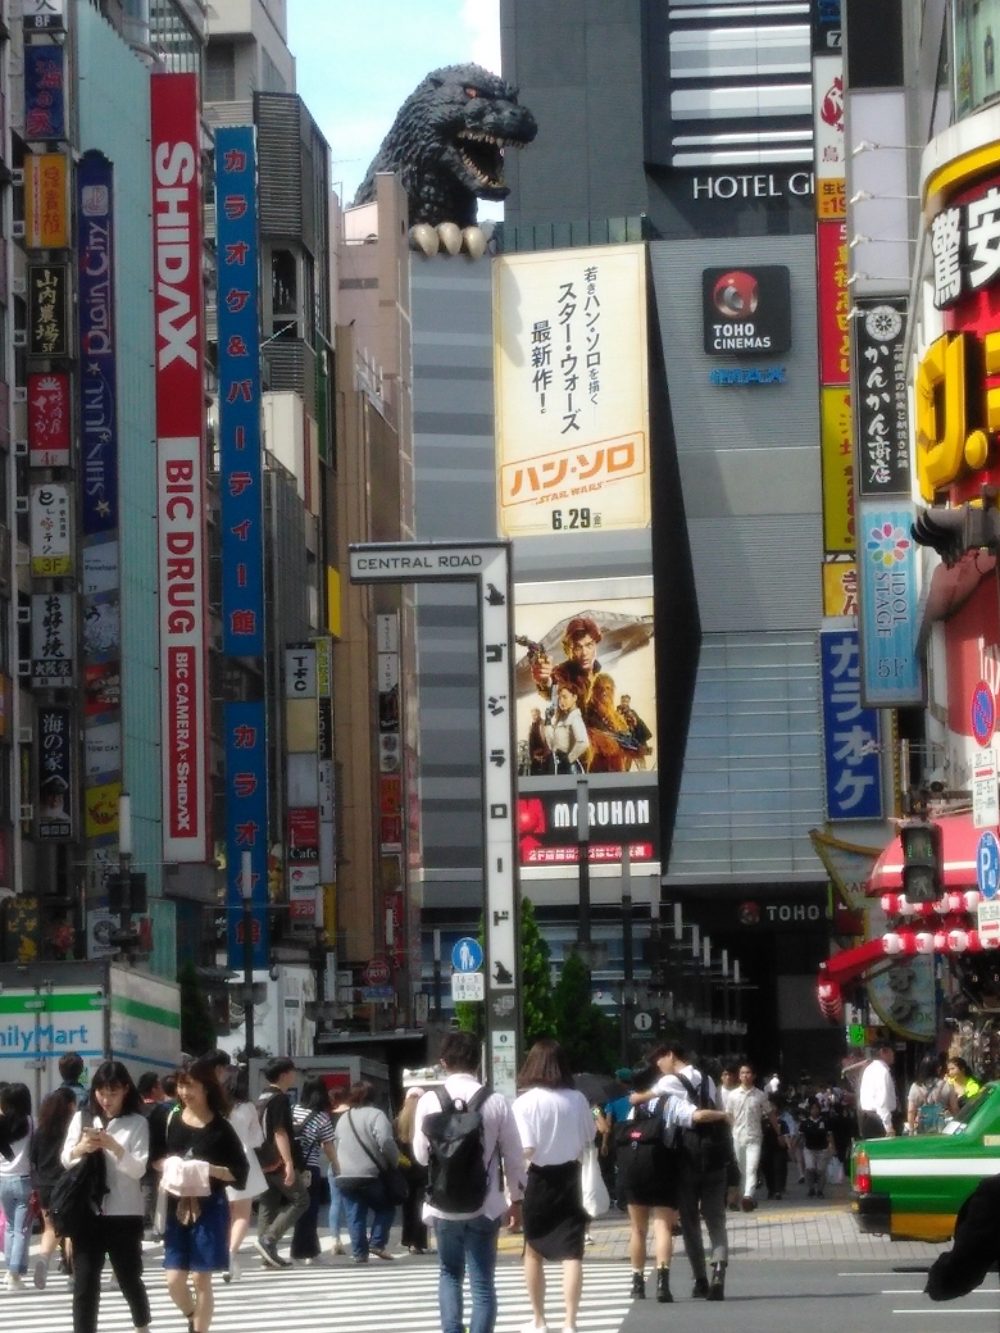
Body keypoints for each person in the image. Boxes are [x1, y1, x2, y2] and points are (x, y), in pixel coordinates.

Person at [412, 1031, 524, 1333]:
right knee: (483, 1284)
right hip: (485, 1205)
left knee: (449, 1274)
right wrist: (517, 1200)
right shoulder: (495, 1101)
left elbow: (421, 1157)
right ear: (478, 1061)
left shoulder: (429, 1101)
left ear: (444, 1061)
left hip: (443, 1204)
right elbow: (514, 1156)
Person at [619, 1060, 730, 1304]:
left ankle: (637, 1284)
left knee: (637, 1229)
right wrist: (723, 1115)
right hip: (663, 1169)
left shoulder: (632, 1109)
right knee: (664, 1228)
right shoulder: (668, 1102)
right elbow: (696, 1115)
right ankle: (662, 1284)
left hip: (634, 1171)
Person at [61, 1060, 151, 1333]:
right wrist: (81, 1148)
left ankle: (142, 1324)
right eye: (101, 1092)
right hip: (88, 1212)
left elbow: (139, 1168)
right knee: (85, 1282)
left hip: (125, 1213)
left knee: (128, 1277)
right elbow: (65, 1159)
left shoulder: (137, 1123)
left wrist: (113, 1147)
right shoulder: (82, 1118)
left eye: (113, 1093)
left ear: (125, 1090)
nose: (106, 1099)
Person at [159, 1057, 248, 1333]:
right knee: (173, 1280)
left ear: (207, 1087)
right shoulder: (171, 1117)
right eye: (181, 1086)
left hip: (210, 1209)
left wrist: (210, 1170)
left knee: (201, 1280)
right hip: (177, 1207)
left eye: (191, 1086)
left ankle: (200, 1328)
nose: (184, 1092)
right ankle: (193, 1316)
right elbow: (156, 1158)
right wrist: (167, 1166)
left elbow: (240, 1173)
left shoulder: (221, 1128)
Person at [512, 1037, 594, 1333]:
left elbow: (526, 1150)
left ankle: (539, 1320)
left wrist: (511, 1185)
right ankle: (570, 1323)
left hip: (539, 1180)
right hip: (572, 1179)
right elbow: (589, 1138)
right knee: (572, 1253)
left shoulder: (525, 1103)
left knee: (533, 1250)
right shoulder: (578, 1099)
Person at [530, 615, 632, 771]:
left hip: (606, 753)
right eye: (578, 647)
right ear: (569, 649)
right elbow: (555, 686)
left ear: (596, 645)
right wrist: (544, 679)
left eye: (589, 645)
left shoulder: (600, 675)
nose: (585, 653)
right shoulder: (564, 672)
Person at [333, 1079, 399, 1263]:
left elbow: (337, 1143)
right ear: (373, 1096)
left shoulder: (343, 1118)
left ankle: (359, 1253)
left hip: (344, 1174)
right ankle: (376, 1243)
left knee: (355, 1215)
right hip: (369, 1174)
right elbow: (385, 1141)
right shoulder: (377, 1115)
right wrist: (394, 1162)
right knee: (386, 1208)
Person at [254, 1056, 309, 1269]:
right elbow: (280, 1131)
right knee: (301, 1199)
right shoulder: (279, 1099)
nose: (294, 1075)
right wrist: (288, 1162)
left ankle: (267, 1255)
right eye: (292, 1071)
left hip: (262, 1159)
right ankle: (268, 1239)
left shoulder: (261, 1098)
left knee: (268, 1202)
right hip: (276, 1159)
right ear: (285, 1074)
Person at [222, 1064, 267, 1283]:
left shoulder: (213, 1107)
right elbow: (257, 1138)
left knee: (223, 1214)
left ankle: (224, 1256)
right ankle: (230, 1255)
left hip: (217, 1162)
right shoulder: (247, 1107)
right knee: (241, 1214)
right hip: (244, 1161)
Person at [29, 1085, 76, 1289]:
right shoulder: (71, 1131)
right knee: (72, 1231)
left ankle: (43, 1259)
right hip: (67, 1185)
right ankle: (73, 1275)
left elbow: (34, 1159)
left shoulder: (40, 1131)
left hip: (45, 1186)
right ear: (69, 1106)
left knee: (50, 1227)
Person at [290, 1076, 338, 1264]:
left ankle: (309, 1249)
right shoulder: (321, 1116)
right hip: (310, 1167)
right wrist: (336, 1164)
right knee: (310, 1209)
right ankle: (305, 1251)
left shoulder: (292, 1110)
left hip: (291, 1165)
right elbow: (328, 1144)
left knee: (297, 1208)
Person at [727, 1063, 781, 1212]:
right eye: (742, 1073)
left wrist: (778, 1133)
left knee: (752, 1168)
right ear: (739, 1076)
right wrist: (733, 1129)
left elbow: (770, 1114)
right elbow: (729, 1115)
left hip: (755, 1137)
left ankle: (748, 1196)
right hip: (738, 1136)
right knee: (743, 1168)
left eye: (748, 1072)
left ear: (754, 1075)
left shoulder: (760, 1095)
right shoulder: (732, 1095)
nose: (745, 1075)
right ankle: (747, 1197)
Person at [0, 1082, 34, 1292]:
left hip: (2, 1179)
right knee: (21, 1229)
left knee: (11, 1227)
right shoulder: (31, 1122)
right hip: (23, 1180)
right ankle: (14, 1274)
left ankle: (9, 1272)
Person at [394, 1087, 429, 1255]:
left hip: (404, 1167)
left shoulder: (398, 1121)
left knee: (407, 1205)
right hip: (423, 1167)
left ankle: (407, 1239)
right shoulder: (426, 1120)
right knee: (421, 1204)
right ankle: (418, 1241)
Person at [136, 1072, 167, 1237]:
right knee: (151, 1192)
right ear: (154, 1089)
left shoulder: (135, 1108)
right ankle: (145, 1226)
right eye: (159, 1086)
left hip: (136, 1154)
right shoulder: (161, 1110)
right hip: (156, 1156)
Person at [544, 682, 590, 774]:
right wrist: (548, 721)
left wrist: (569, 759)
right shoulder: (562, 719)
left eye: (565, 697)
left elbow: (584, 743)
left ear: (574, 698)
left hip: (570, 769)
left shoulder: (575, 718)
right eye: (559, 697)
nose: (561, 701)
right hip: (560, 766)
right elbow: (552, 745)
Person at [326, 1086, 351, 1255]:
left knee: (335, 1202)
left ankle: (335, 1238)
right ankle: (356, 1237)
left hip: (334, 1162)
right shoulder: (352, 1114)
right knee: (352, 1203)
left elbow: (324, 1142)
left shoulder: (328, 1117)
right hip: (353, 1162)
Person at [907, 1054, 957, 1134]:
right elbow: (954, 1108)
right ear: (938, 1069)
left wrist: (911, 1130)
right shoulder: (947, 1085)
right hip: (943, 1128)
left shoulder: (915, 1086)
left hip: (922, 1129)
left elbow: (911, 1111)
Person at [859, 1044, 898, 1138]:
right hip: (879, 1121)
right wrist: (888, 1126)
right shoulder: (882, 1071)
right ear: (883, 1052)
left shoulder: (869, 1068)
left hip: (869, 1119)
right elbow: (882, 1102)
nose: (893, 1055)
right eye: (891, 1051)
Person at [798, 1098, 834, 1197]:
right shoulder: (805, 1123)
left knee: (821, 1170)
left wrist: (832, 1147)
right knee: (809, 1168)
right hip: (809, 1148)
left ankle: (820, 1190)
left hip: (822, 1149)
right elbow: (801, 1136)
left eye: (816, 1108)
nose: (815, 1111)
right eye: (812, 1109)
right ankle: (811, 1188)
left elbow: (829, 1135)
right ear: (809, 1110)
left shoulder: (824, 1121)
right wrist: (796, 1149)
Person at [618, 694, 652, 770]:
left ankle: (643, 773)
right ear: (621, 701)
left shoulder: (632, 712)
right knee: (625, 763)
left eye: (626, 701)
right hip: (624, 740)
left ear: (629, 702)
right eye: (623, 701)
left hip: (634, 738)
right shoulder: (617, 712)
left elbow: (638, 724)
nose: (625, 703)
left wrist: (633, 722)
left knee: (640, 760)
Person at [527, 708, 551, 776]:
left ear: (539, 714)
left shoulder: (544, 724)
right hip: (535, 755)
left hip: (545, 754)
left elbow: (547, 741)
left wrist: (545, 755)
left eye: (535, 715)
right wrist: (533, 756)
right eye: (532, 715)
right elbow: (530, 743)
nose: (533, 717)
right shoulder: (532, 726)